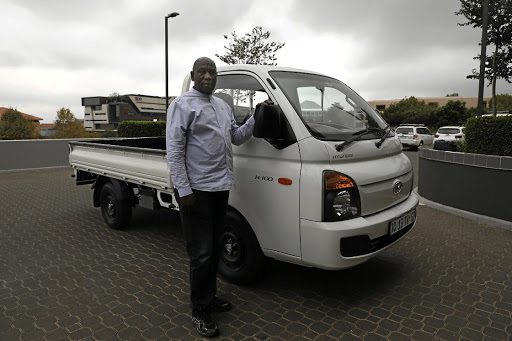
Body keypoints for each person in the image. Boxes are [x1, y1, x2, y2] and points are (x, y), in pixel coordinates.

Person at [166, 57, 257, 337]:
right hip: (197, 192)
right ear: (193, 75)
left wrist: (257, 117)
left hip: (220, 188)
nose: (208, 75)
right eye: (202, 71)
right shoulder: (182, 105)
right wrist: (184, 191)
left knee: (215, 248)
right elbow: (174, 150)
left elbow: (237, 137)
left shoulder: (222, 106)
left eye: (212, 71)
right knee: (200, 254)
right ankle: (199, 310)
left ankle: (210, 297)